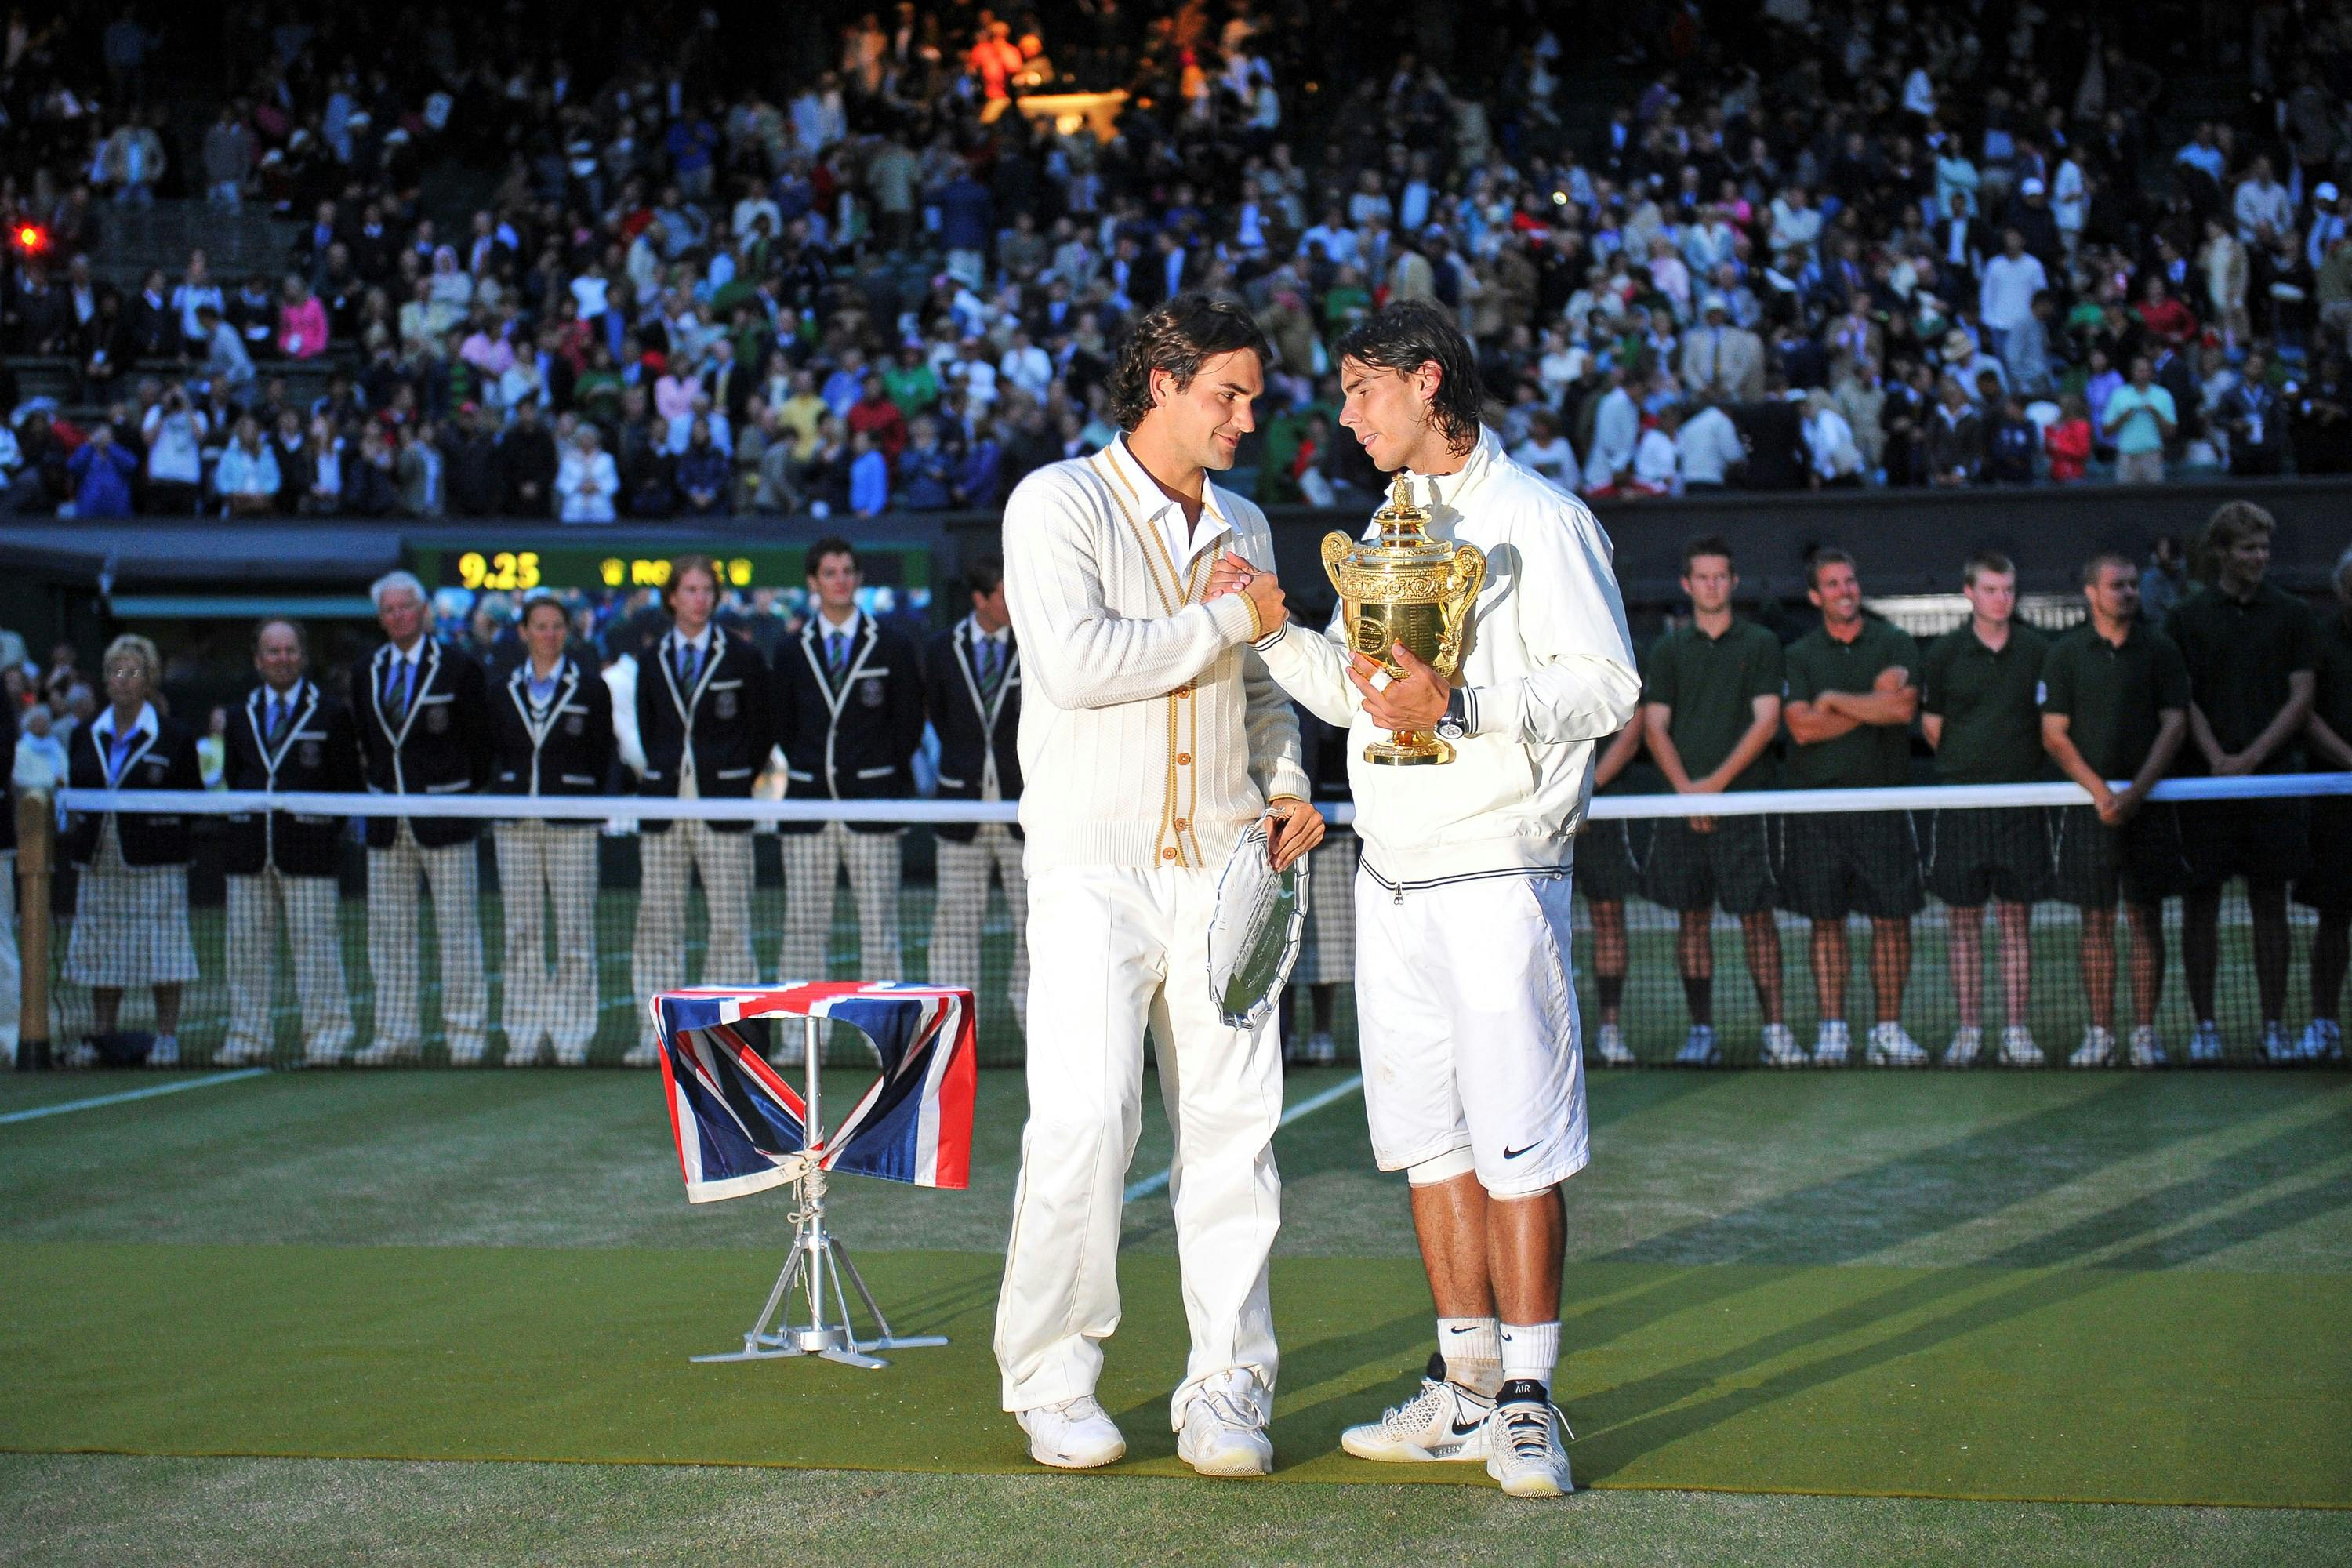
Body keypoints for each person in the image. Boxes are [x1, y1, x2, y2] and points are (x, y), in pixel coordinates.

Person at [1251, 300, 1637, 1497]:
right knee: (1431, 1148)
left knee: (1519, 1145)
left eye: (1364, 389)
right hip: (1391, 874)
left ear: (1429, 385)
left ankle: (1529, 1403)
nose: (1347, 413)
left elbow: (1609, 685)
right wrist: (1275, 634)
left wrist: (1464, 708)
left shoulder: (1544, 520)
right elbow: (1367, 699)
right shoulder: (1389, 524)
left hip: (1496, 874)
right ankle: (1465, 1391)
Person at [993, 295, 1322, 1480]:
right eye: (1228, 394)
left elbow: (1268, 684)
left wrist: (1286, 778)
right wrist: (1229, 613)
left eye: (1252, 395)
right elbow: (1077, 667)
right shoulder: (1056, 502)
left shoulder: (1247, 520)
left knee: (1235, 1139)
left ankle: (1227, 1386)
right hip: (1091, 866)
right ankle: (1049, 1376)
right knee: (1084, 1123)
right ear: (1160, 386)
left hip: (1230, 866)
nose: (1250, 414)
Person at [2164, 503, 2319, 1063]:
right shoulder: (2186, 618)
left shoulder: (2294, 614)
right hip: (2204, 787)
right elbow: (2185, 697)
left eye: (2264, 548)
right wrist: (2217, 759)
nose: (2260, 557)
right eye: (2249, 548)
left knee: (2269, 904)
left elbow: (2300, 697)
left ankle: (2273, 1026)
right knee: (2199, 906)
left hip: (2272, 783)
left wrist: (2250, 759)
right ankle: (2205, 1027)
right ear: (2223, 553)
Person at [1639, 536, 1794, 1066]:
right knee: (1692, 921)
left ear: (1733, 582)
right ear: (1688, 585)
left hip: (1744, 808)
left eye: (1720, 576)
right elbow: (1654, 727)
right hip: (1683, 809)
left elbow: (1767, 721)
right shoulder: (1667, 651)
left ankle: (1776, 1032)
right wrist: (1687, 793)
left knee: (1758, 920)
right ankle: (1701, 1031)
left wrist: (1715, 788)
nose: (1712, 585)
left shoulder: (1760, 644)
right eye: (1702, 577)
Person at [775, 538, 926, 1060]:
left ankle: (886, 1038)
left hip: (873, 804)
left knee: (879, 924)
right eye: (829, 572)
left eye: (847, 571)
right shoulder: (792, 649)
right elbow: (783, 723)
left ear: (858, 579)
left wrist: (874, 771)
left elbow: (907, 723)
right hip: (809, 805)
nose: (840, 579)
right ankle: (799, 1037)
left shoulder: (892, 644)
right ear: (813, 582)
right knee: (803, 927)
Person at [2040, 554, 2193, 1066]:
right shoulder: (2065, 654)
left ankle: (2145, 1034)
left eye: (2132, 585)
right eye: (2116, 585)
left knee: (2145, 919)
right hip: (2090, 811)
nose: (2128, 593)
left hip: (2147, 810)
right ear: (2091, 592)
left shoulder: (2161, 649)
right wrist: (2102, 794)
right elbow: (2054, 735)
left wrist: (2136, 794)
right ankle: (2101, 1034)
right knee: (2096, 922)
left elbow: (2174, 725)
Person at [627, 554, 776, 1067]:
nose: (699, 599)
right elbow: (650, 731)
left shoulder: (742, 656)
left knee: (731, 923)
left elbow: (761, 729)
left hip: (724, 806)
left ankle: (729, 1038)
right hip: (665, 807)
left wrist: (729, 777)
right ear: (672, 597)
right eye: (689, 590)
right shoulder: (651, 660)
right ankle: (658, 1037)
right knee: (658, 924)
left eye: (705, 591)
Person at [1779, 551, 1926, 1066]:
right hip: (1818, 812)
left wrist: (1837, 700)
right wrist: (1871, 706)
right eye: (1832, 584)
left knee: (1892, 923)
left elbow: (1902, 709)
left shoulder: (1893, 642)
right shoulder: (1798, 655)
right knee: (1826, 923)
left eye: (1850, 580)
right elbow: (1802, 727)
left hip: (1884, 807)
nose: (1845, 590)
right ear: (1816, 597)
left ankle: (1888, 1030)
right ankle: (1833, 1031)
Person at [352, 570, 494, 1065]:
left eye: (405, 608)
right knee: (388, 936)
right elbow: (369, 746)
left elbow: (481, 749)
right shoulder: (365, 670)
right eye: (388, 611)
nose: (397, 617)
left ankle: (466, 1038)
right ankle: (396, 1036)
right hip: (388, 822)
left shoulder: (459, 667)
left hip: (446, 820)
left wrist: (450, 796)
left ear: (424, 610)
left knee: (457, 932)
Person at [1918, 552, 2050, 1066]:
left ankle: (2016, 1030)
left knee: (2017, 922)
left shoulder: (2039, 650)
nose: (2002, 599)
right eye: (1992, 589)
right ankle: (1969, 1030)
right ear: (1969, 592)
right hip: (1962, 806)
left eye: (2009, 590)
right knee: (1964, 923)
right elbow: (1933, 728)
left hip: (2021, 806)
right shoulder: (1945, 654)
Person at [218, 619, 360, 1067]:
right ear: (258, 660)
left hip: (310, 854)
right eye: (272, 652)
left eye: (290, 651)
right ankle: (248, 1037)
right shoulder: (239, 717)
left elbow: (347, 788)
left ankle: (328, 1039)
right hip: (250, 854)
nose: (282, 659)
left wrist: (317, 831)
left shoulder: (332, 713)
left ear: (303, 655)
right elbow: (234, 777)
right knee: (245, 951)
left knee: (317, 949)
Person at [60, 634, 202, 1067]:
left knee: (165, 949)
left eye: (132, 673)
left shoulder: (175, 736)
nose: (121, 681)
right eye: (114, 672)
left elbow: (192, 802)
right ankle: (103, 1035)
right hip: (100, 861)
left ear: (149, 680)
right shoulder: (85, 734)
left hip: (155, 864)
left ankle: (166, 1038)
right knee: (102, 950)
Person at [488, 594, 615, 1066]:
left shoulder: (591, 688)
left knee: (574, 931)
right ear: (523, 632)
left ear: (567, 631)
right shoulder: (501, 689)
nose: (548, 634)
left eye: (557, 626)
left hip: (572, 823)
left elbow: (603, 754)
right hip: (515, 823)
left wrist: (591, 806)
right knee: (521, 931)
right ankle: (523, 1035)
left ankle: (571, 1037)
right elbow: (491, 751)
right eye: (539, 626)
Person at [922, 554, 1028, 1036]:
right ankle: (954, 1030)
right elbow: (939, 718)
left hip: (1022, 809)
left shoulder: (1034, 642)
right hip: (960, 807)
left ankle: (1033, 1021)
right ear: (980, 599)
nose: (1012, 602)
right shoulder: (942, 649)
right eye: (1003, 594)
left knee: (1034, 923)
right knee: (955, 923)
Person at [2296, 546, 2352, 1063]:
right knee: (2335, 918)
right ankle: (2323, 1023)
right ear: (2342, 589)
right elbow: (2305, 713)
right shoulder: (2321, 637)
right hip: (2338, 801)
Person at [1575, 724, 1646, 1065]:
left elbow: (1632, 733)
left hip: (1601, 810)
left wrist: (1584, 793)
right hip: (1538, 811)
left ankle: (1609, 1030)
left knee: (1608, 920)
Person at [2103, 356, 2177, 484]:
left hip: (2152, 455)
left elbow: (2172, 431)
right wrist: (2123, 418)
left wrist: (2155, 413)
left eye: (2146, 370)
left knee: (2155, 500)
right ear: (2132, 372)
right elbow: (2106, 430)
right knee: (2125, 500)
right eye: (2139, 370)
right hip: (2126, 456)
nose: (2143, 374)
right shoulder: (2119, 395)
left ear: (2152, 372)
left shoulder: (2163, 395)